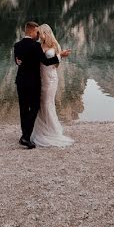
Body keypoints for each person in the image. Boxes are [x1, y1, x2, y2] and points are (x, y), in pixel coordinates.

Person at [13, 21, 70, 149]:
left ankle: (25, 135)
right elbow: (45, 61)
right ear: (33, 31)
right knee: (35, 108)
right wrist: (60, 56)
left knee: (23, 109)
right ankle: (26, 137)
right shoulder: (35, 46)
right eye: (37, 32)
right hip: (33, 83)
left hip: (20, 82)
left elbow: (18, 62)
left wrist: (18, 61)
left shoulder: (17, 45)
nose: (38, 35)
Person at [30, 24, 74, 147]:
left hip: (51, 78)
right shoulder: (38, 45)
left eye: (40, 33)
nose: (39, 35)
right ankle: (42, 131)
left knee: (47, 103)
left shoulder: (54, 45)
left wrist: (60, 56)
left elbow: (53, 62)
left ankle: (51, 131)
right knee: (41, 104)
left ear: (46, 33)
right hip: (41, 78)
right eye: (37, 33)